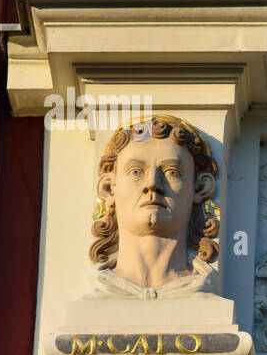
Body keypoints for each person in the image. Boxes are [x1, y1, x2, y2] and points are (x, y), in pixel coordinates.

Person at [88, 113, 219, 297]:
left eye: (171, 171)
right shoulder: (98, 296)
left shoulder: (206, 297)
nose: (152, 184)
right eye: (135, 171)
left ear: (201, 188)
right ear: (109, 188)